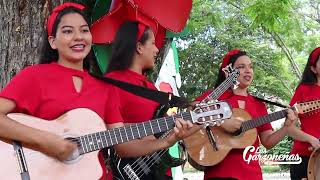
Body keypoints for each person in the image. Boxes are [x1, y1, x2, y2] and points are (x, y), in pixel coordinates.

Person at [0, 3, 121, 179]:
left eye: (84, 30)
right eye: (67, 31)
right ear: (52, 41)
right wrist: (48, 141)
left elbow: (125, 145)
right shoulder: (33, 76)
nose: (78, 37)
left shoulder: (105, 88)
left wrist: (166, 138)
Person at [104, 21, 199, 179]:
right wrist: (144, 135)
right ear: (139, 47)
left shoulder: (150, 88)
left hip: (158, 170)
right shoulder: (112, 83)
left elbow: (165, 131)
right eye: (153, 43)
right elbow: (107, 131)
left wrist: (198, 118)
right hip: (127, 171)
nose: (157, 49)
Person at [193, 49, 297, 180]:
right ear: (229, 73)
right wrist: (223, 121)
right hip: (219, 173)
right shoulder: (216, 97)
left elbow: (268, 141)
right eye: (241, 67)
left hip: (251, 174)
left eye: (250, 66)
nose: (248, 70)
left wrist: (286, 127)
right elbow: (192, 111)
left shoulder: (259, 104)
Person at [287, 47, 320, 180]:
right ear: (313, 69)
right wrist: (311, 139)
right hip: (304, 156)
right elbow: (289, 127)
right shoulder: (304, 90)